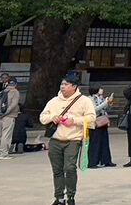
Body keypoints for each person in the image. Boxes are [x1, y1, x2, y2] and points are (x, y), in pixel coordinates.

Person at [41, 72, 96, 205]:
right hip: (55, 140)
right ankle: (59, 197)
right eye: (62, 84)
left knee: (70, 168)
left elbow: (92, 118)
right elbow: (42, 117)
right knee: (57, 170)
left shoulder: (84, 101)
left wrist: (75, 120)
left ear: (74, 86)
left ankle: (70, 196)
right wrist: (51, 117)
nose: (62, 87)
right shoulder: (54, 101)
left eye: (66, 84)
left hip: (73, 140)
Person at [0, 77, 20, 159]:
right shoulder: (15, 92)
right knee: (6, 134)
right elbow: (13, 104)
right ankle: (4, 153)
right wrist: (6, 112)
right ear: (15, 84)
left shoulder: (2, 92)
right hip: (9, 116)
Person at [88, 86, 116, 168]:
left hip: (103, 121)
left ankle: (106, 160)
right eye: (100, 90)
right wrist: (105, 102)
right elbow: (95, 109)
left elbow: (105, 108)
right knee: (95, 143)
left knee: (104, 142)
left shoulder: (101, 98)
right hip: (94, 122)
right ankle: (93, 162)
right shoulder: (90, 99)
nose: (102, 91)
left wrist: (109, 102)